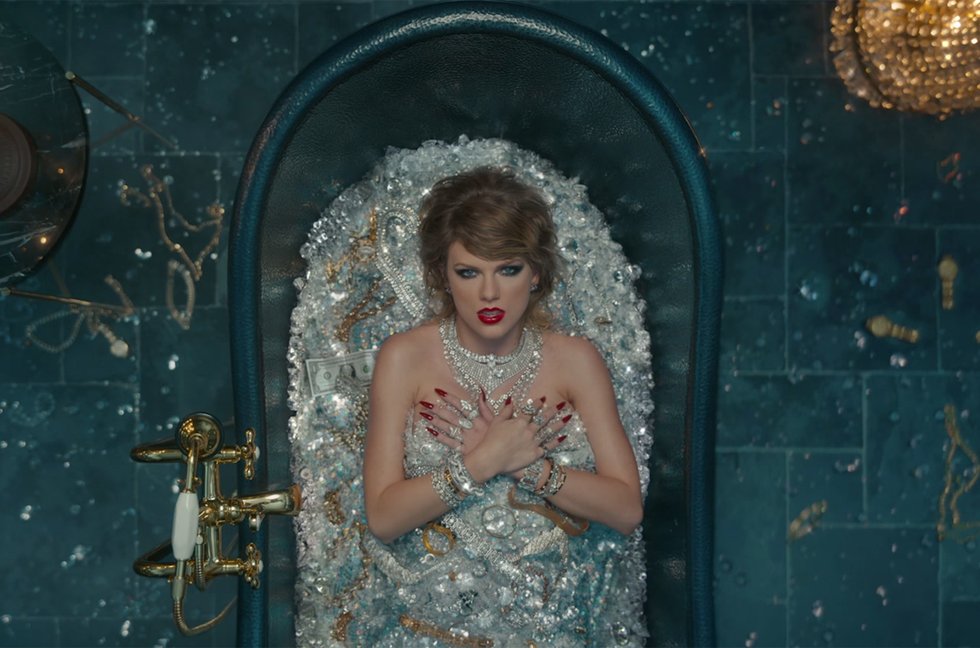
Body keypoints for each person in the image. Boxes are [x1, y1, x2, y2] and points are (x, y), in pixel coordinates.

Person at [360, 166, 644, 645]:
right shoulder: (404, 358)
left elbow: (626, 509)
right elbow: (384, 518)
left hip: (554, 623)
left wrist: (530, 468)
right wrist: (483, 461)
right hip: (430, 625)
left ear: (536, 273)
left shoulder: (576, 361)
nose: (489, 293)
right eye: (468, 272)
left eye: (508, 269)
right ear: (442, 276)